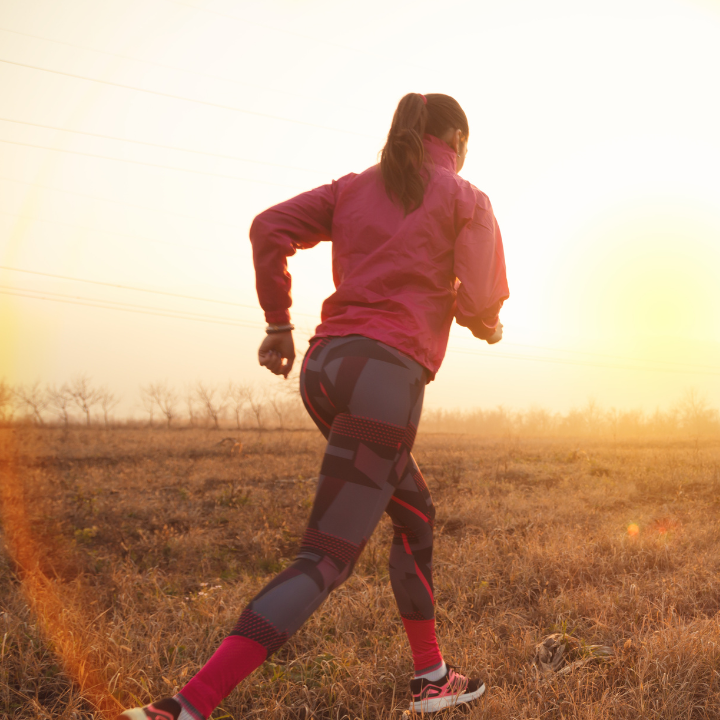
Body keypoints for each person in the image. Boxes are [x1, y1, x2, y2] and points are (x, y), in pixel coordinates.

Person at [119, 92, 508, 720]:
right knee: (325, 556)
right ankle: (184, 707)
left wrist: (279, 323)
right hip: (386, 377)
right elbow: (483, 296)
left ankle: (432, 678)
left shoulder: (353, 188)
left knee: (414, 515)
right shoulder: (466, 198)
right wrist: (484, 320)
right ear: (457, 139)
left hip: (325, 369)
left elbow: (267, 227)